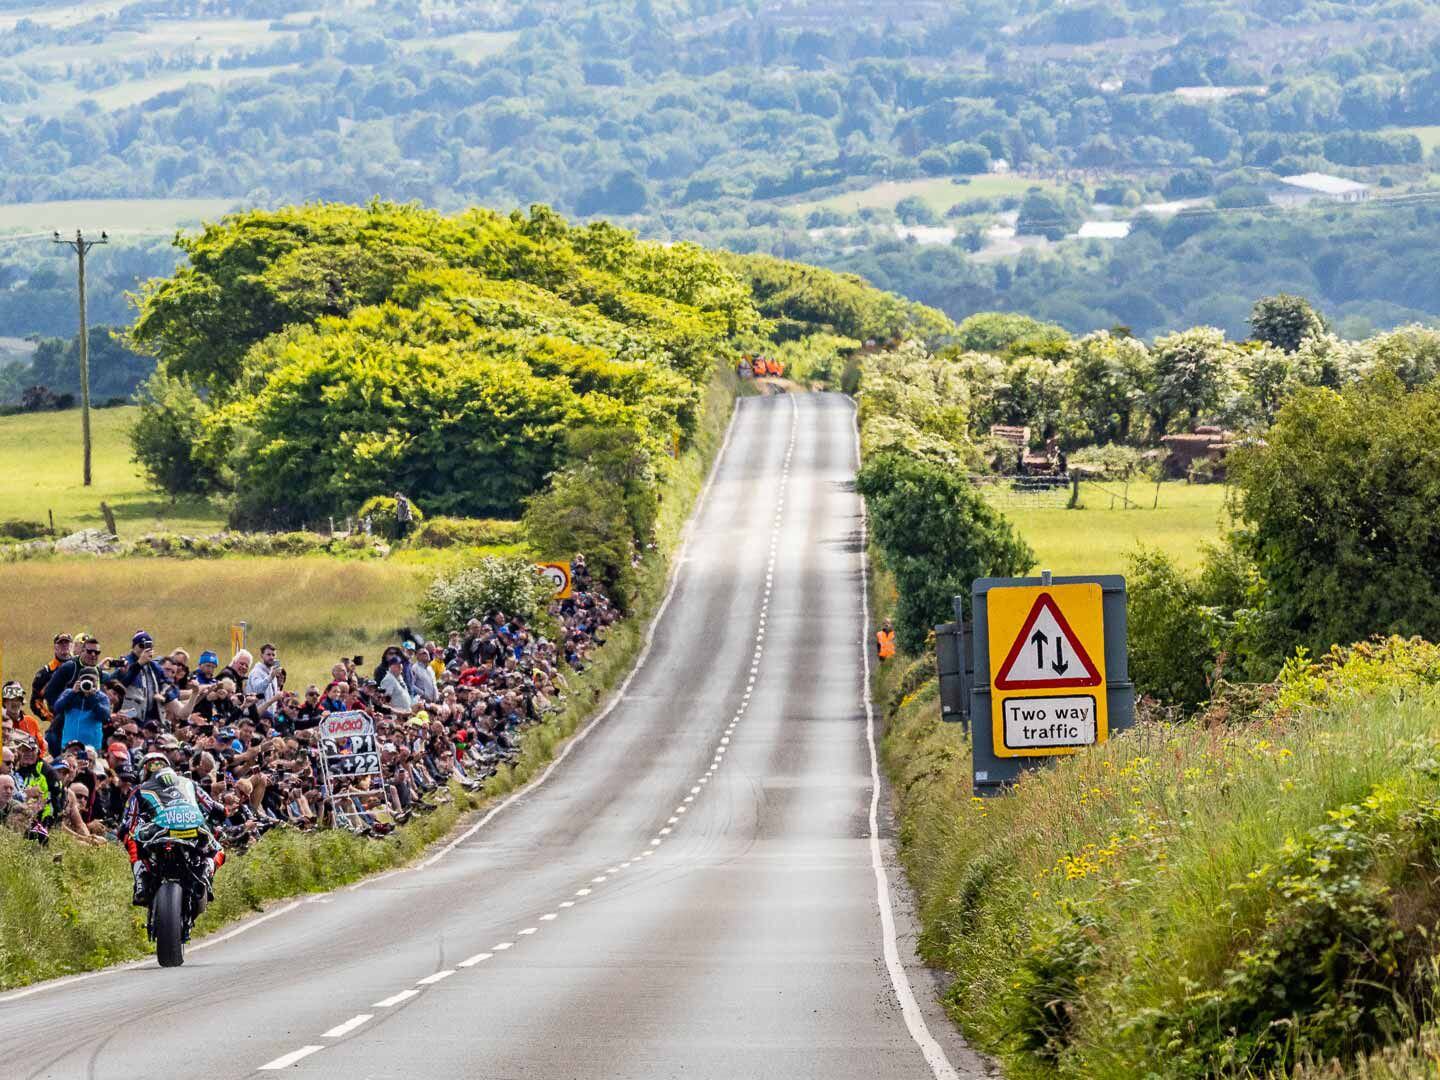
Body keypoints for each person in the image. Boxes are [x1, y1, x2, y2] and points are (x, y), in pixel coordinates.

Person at [119, 752, 225, 907]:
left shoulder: (138, 790)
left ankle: (141, 880)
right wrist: (222, 812)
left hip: (158, 831)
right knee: (218, 850)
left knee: (131, 837)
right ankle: (206, 873)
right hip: (194, 828)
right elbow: (214, 808)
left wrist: (126, 832)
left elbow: (127, 823)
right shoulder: (190, 783)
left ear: (143, 772)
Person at [52, 666, 111, 752]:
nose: (88, 682)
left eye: (92, 680)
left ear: (97, 682)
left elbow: (104, 717)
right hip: (69, 746)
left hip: (92, 748)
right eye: (85, 679)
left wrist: (92, 698)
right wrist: (72, 693)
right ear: (78, 680)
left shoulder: (101, 697)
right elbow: (57, 708)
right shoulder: (69, 693)